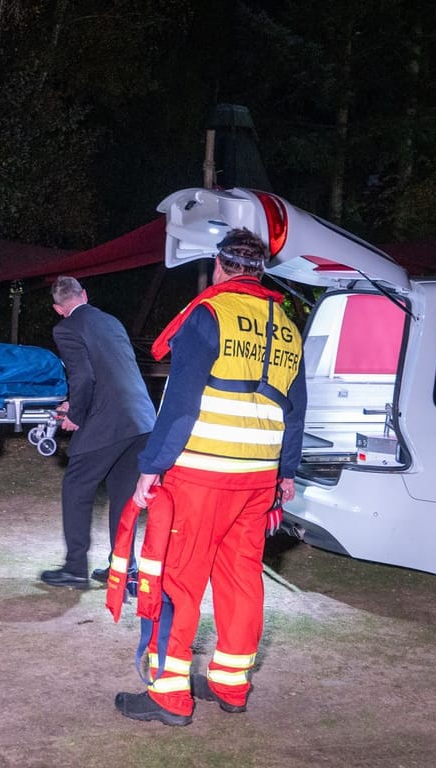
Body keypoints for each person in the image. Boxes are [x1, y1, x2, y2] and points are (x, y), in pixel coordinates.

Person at [114, 228, 306, 725]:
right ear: (261, 271)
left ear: (220, 267)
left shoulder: (209, 312)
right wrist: (285, 473)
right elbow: (295, 410)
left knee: (179, 578)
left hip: (203, 473)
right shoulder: (286, 324)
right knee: (242, 580)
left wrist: (151, 467)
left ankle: (170, 696)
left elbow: (180, 403)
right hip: (258, 480)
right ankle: (231, 684)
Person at [39, 276, 156, 589]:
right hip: (142, 420)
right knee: (123, 496)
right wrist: (74, 403)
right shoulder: (111, 322)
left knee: (76, 486)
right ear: (84, 295)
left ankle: (75, 568)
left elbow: (83, 376)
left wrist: (74, 414)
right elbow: (109, 372)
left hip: (109, 422)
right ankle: (124, 569)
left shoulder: (65, 328)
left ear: (57, 308)